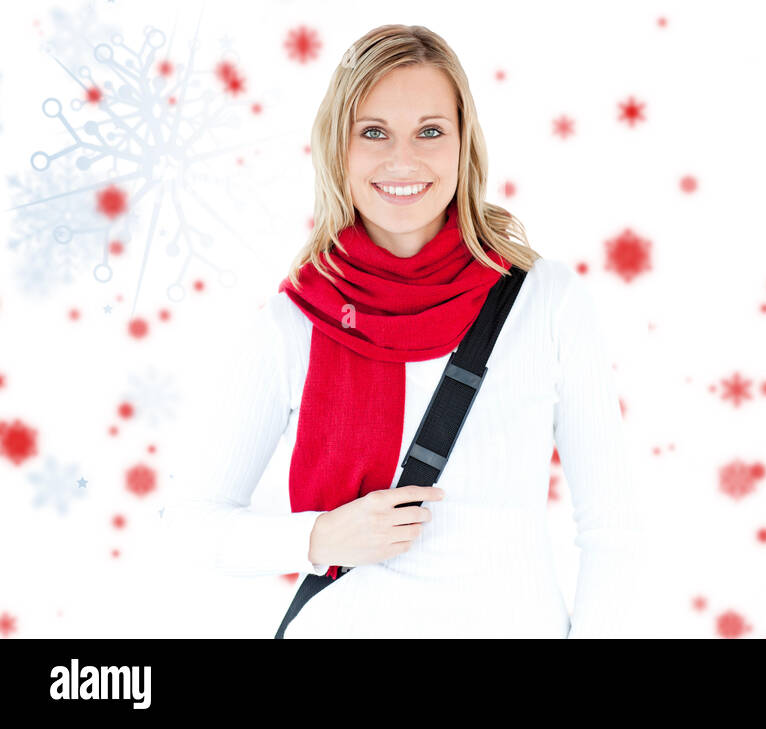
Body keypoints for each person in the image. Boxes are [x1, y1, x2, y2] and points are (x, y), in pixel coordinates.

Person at [162, 24, 647, 638]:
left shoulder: (547, 302)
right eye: (373, 132)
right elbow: (187, 524)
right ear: (338, 147)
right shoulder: (294, 322)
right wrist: (317, 538)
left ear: (463, 143)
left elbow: (616, 528)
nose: (402, 159)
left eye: (430, 131)